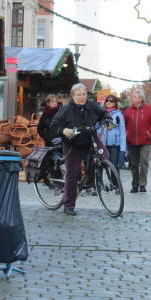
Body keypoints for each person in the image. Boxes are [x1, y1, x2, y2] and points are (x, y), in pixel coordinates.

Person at [50, 83, 106, 215]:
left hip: (90, 138)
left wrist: (108, 120)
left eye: (84, 94)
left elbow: (103, 114)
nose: (82, 97)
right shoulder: (66, 109)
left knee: (104, 156)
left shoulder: (91, 105)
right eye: (79, 95)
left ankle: (90, 181)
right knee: (73, 174)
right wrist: (64, 130)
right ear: (73, 96)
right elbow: (54, 125)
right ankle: (68, 205)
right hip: (73, 142)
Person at [123, 88, 151, 194]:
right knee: (133, 164)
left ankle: (142, 184)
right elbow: (124, 125)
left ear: (140, 98)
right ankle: (135, 185)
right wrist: (127, 134)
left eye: (134, 96)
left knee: (143, 162)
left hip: (145, 141)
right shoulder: (128, 111)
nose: (131, 98)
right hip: (131, 141)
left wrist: (149, 134)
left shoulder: (149, 109)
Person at [97, 94, 126, 169]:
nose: (108, 102)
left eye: (111, 101)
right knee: (100, 165)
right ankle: (100, 181)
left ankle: (115, 181)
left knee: (114, 167)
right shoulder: (101, 113)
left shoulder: (119, 115)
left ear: (115, 103)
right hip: (102, 144)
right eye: (107, 100)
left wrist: (123, 149)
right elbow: (97, 128)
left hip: (114, 146)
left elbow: (123, 132)